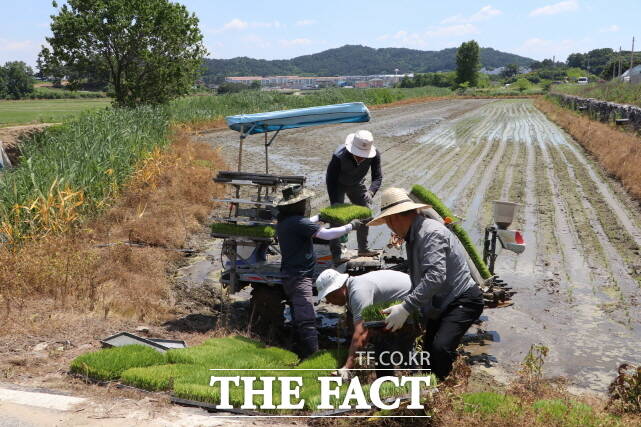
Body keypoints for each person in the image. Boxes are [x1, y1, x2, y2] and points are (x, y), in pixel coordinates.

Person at [367, 187, 484, 380]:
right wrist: (412, 312)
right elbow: (420, 278)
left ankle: (445, 394)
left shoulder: (430, 233)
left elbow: (435, 276)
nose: (389, 227)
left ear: (395, 218)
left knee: (440, 348)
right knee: (428, 354)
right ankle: (432, 392)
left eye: (388, 221)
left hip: (462, 299)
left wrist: (406, 307)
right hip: (441, 302)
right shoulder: (414, 236)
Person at [275, 185, 364, 358]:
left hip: (291, 274)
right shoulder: (298, 222)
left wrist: (319, 217)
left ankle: (295, 347)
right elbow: (327, 235)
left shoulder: (285, 221)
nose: (305, 205)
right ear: (296, 205)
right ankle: (312, 355)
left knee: (297, 312)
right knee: (307, 317)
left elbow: (307, 224)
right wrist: (350, 227)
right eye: (303, 202)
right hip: (299, 277)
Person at [314, 268, 416, 379]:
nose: (328, 302)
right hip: (400, 304)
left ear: (337, 290)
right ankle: (388, 380)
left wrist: (348, 367)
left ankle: (413, 379)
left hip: (414, 303)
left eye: (328, 297)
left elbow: (361, 332)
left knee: (393, 345)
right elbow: (356, 326)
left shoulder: (358, 292)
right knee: (382, 344)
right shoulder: (352, 287)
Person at [326, 130, 382, 263]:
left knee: (366, 214)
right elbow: (331, 180)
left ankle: (363, 248)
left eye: (364, 156)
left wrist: (371, 192)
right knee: (336, 219)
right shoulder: (338, 156)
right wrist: (336, 204)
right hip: (338, 184)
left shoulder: (374, 155)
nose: (362, 158)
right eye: (359, 155)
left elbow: (377, 177)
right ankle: (336, 254)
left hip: (357, 184)